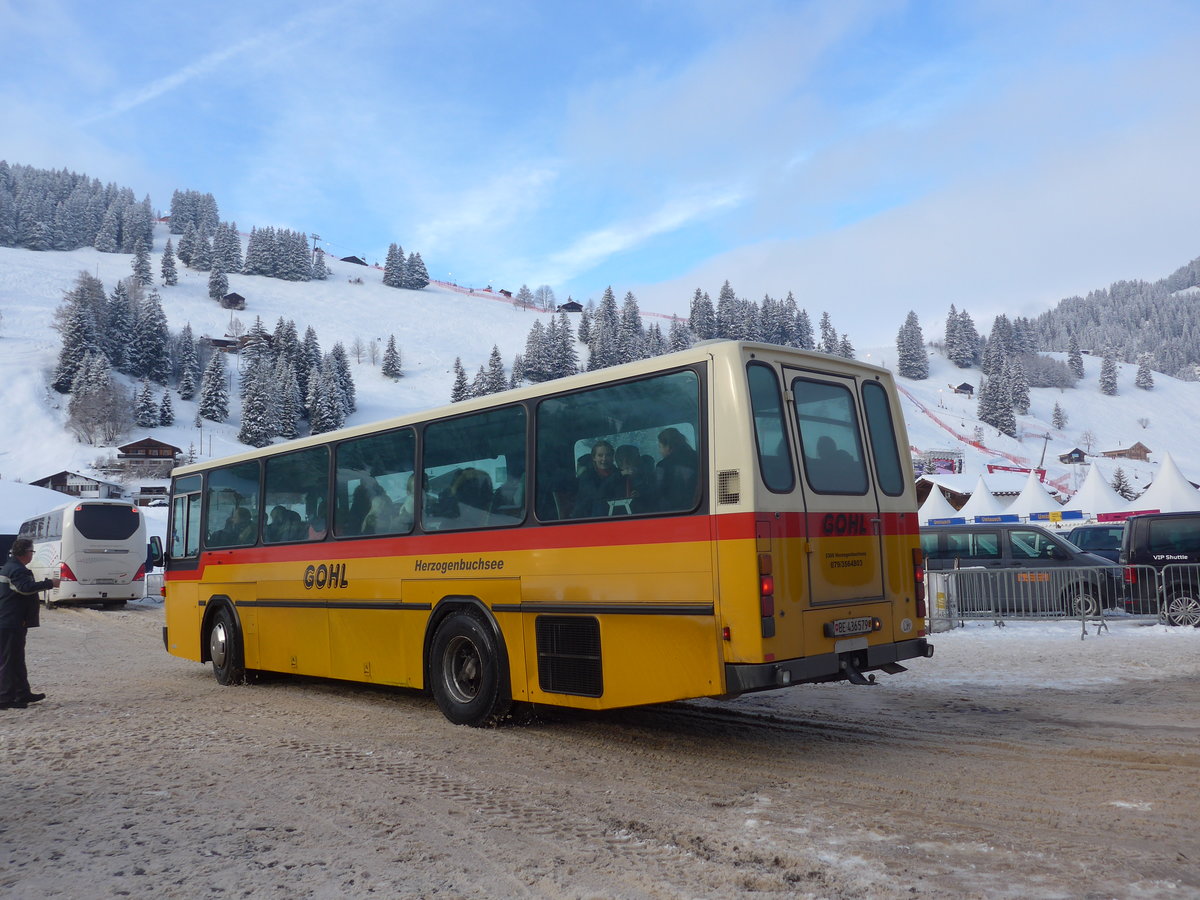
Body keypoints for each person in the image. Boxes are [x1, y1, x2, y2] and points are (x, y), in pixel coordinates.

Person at [0, 538, 59, 710]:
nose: (32, 555)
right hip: (11, 621)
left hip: (11, 620)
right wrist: (50, 583)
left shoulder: (10, 567)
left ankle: (21, 693)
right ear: (26, 553)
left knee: (16, 659)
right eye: (32, 552)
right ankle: (4, 698)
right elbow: (25, 588)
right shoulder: (17, 570)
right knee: (9, 660)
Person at [573, 440, 622, 517]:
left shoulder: (617, 473)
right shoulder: (587, 476)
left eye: (608, 455)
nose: (604, 459)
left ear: (613, 457)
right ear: (594, 458)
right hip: (587, 519)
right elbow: (598, 496)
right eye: (600, 455)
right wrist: (616, 476)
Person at [655, 427, 698, 512]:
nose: (659, 451)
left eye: (660, 447)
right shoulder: (698, 457)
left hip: (673, 512)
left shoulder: (662, 466)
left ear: (668, 446)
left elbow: (657, 492)